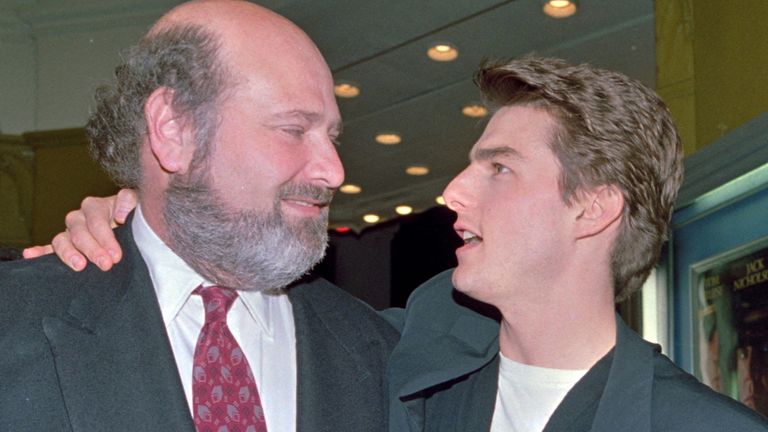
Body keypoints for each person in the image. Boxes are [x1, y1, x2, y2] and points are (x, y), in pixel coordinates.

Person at [28, 59, 768, 432]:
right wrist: (143, 219)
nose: (455, 192)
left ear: (595, 208)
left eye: (499, 168)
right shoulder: (391, 361)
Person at [0, 1, 398, 431]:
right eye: (294, 130)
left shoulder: (380, 349)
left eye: (331, 136)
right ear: (174, 129)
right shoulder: (16, 319)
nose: (334, 171)